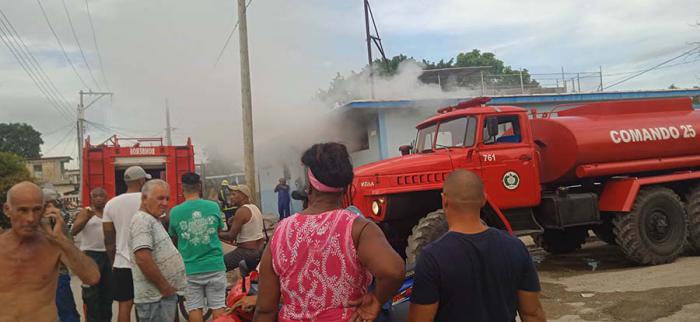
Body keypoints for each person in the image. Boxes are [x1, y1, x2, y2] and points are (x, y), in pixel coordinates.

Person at [253, 142, 405, 322]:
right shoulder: (358, 228)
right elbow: (393, 272)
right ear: (347, 186)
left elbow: (265, 309)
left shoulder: (281, 232)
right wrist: (377, 299)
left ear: (309, 184)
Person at [408, 169, 546, 322]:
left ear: (444, 200)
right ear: (484, 200)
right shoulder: (515, 247)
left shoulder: (431, 257)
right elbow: (532, 314)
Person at [0, 182, 100, 321]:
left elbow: (92, 277)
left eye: (36, 210)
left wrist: (61, 239)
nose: (30, 218)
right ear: (7, 210)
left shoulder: (53, 244)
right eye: (22, 210)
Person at [169, 172, 227, 321]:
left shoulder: (175, 212)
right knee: (219, 307)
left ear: (182, 188)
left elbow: (173, 237)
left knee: (194, 307)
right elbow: (219, 230)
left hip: (189, 268)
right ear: (199, 186)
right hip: (214, 265)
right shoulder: (213, 206)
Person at [130, 179, 187, 322]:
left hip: (161, 297)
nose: (165, 203)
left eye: (167, 198)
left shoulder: (152, 218)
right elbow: (143, 258)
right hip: (155, 299)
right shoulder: (142, 220)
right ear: (144, 198)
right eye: (160, 198)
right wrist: (165, 288)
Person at [103, 165, 151, 322]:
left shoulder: (111, 204)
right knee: (146, 305)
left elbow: (109, 240)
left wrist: (113, 260)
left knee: (124, 306)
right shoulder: (148, 201)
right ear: (141, 180)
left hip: (122, 264)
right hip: (146, 261)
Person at [71, 187, 113, 322]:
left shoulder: (109, 212)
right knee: (92, 296)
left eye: (102, 195)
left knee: (107, 294)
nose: (99, 198)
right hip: (91, 255)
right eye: (96, 196)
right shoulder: (86, 211)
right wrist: (86, 219)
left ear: (106, 198)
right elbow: (73, 231)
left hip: (107, 255)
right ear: (92, 198)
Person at [44, 187, 82, 322]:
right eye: (53, 203)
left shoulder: (58, 220)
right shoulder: (40, 222)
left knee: (68, 313)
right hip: (53, 276)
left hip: (60, 274)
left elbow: (68, 244)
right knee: (66, 315)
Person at [220, 184, 265, 271]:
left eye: (234, 194)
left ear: (243, 196)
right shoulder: (254, 207)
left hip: (246, 251)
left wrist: (215, 233)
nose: (231, 197)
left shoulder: (242, 211)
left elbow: (231, 236)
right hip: (258, 251)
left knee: (218, 266)